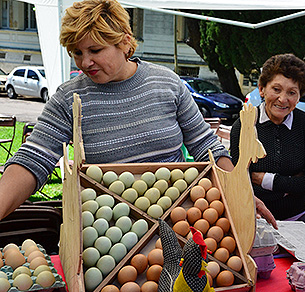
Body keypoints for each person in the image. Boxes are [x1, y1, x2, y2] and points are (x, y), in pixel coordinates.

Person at [0, 0, 238, 220]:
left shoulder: (168, 84)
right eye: (77, 53)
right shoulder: (68, 98)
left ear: (124, 42)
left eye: (95, 50)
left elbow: (207, 146)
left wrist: (240, 195)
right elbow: (33, 159)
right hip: (108, 234)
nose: (84, 63)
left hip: (178, 222)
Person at [230, 54, 305, 226]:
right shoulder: (244, 124)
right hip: (253, 219)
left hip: (298, 219)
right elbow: (239, 179)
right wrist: (291, 183)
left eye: (292, 93)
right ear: (262, 89)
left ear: (299, 96)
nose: (283, 99)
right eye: (276, 89)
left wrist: (265, 179)